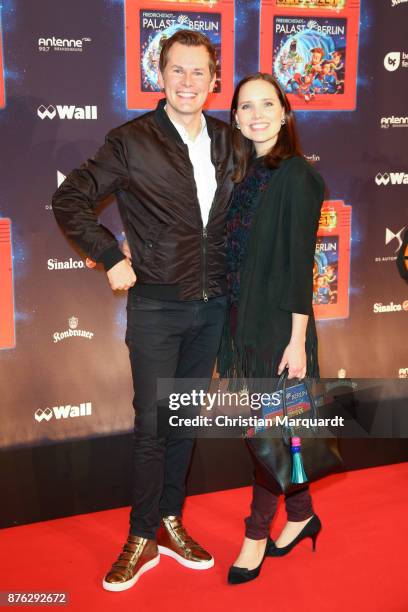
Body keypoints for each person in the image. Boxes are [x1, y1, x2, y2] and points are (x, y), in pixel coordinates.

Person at [52, 30, 233, 591]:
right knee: (154, 426)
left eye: (198, 72)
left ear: (214, 80)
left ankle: (172, 522)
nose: (187, 82)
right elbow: (69, 198)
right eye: (177, 70)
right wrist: (110, 255)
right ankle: (142, 536)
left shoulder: (230, 143)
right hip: (157, 307)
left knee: (182, 420)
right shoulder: (131, 140)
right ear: (160, 76)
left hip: (214, 307)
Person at [218, 73, 325, 585]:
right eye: (245, 107)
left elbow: (300, 263)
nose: (256, 114)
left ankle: (256, 533)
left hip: (280, 327)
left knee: (266, 432)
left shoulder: (298, 176)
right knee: (278, 432)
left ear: (285, 112)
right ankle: (302, 514)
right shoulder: (245, 174)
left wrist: (298, 340)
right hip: (242, 323)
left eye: (266, 104)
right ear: (235, 117)